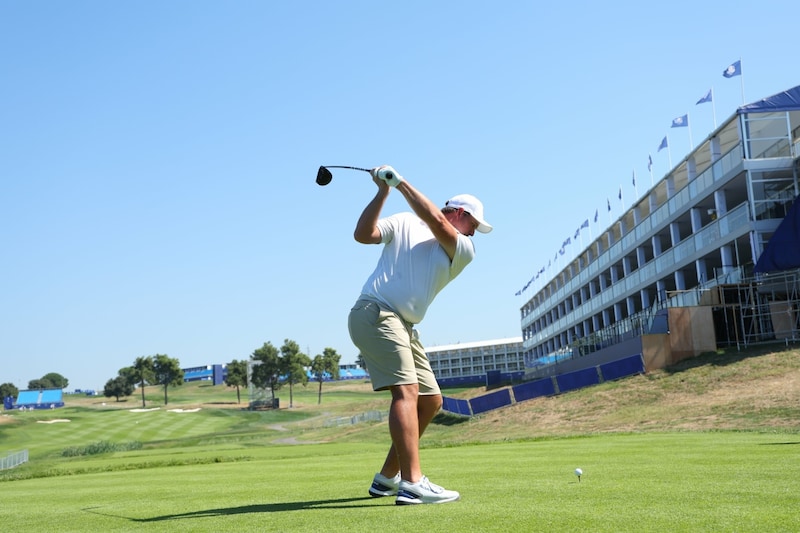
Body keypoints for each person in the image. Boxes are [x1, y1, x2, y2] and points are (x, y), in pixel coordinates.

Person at [347, 165, 492, 505]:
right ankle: (413, 483)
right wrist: (382, 192)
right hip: (376, 311)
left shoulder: (463, 249)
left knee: (430, 401)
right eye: (473, 225)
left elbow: (436, 223)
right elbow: (363, 235)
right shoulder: (404, 220)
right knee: (407, 392)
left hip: (405, 325)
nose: (473, 233)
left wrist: (400, 184)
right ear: (460, 213)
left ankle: (387, 478)